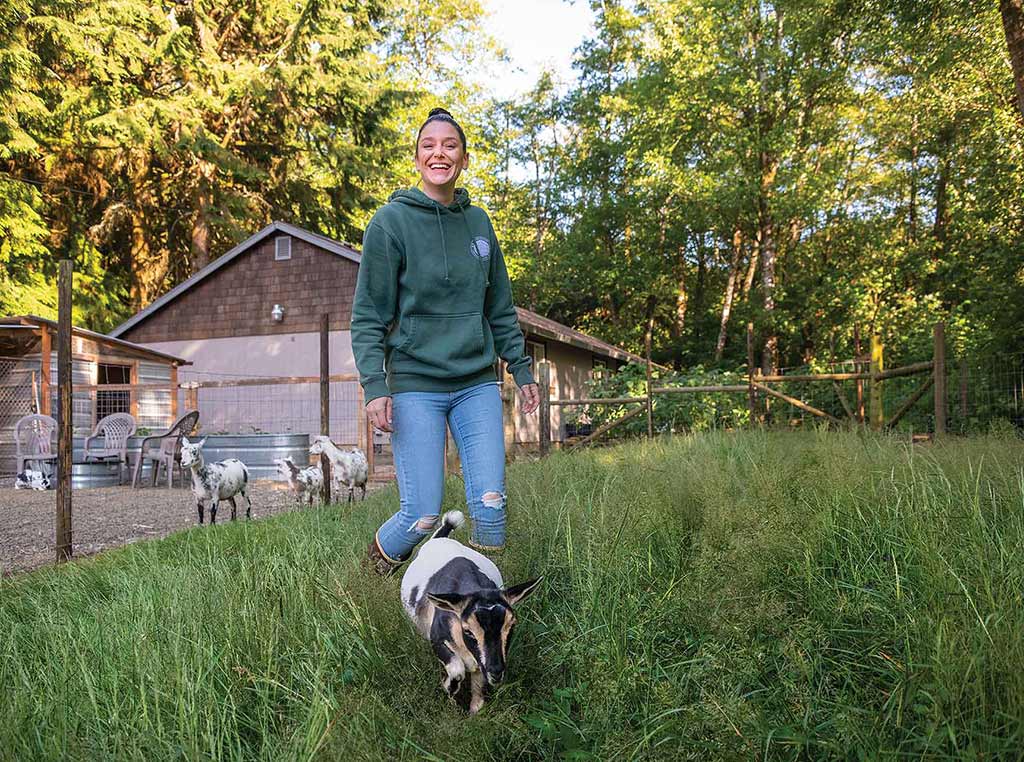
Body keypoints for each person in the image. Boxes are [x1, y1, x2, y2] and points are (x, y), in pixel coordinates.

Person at [352, 107, 540, 576]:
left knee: (492, 506)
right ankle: (372, 576)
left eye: (450, 145)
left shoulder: (479, 224)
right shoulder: (390, 223)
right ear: (417, 159)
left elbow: (499, 305)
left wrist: (521, 367)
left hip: (476, 382)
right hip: (416, 384)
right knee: (421, 515)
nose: (440, 153)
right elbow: (369, 314)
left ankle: (479, 606)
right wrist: (375, 387)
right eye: (429, 145)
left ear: (464, 157)